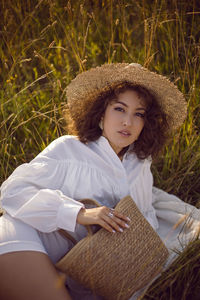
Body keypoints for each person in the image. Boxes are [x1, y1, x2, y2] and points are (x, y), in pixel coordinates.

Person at [0, 63, 199, 300]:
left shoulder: (139, 162)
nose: (128, 122)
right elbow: (12, 191)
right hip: (27, 238)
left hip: (84, 263)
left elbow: (144, 213)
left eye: (139, 114)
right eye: (119, 109)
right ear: (100, 112)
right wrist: (79, 213)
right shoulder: (70, 149)